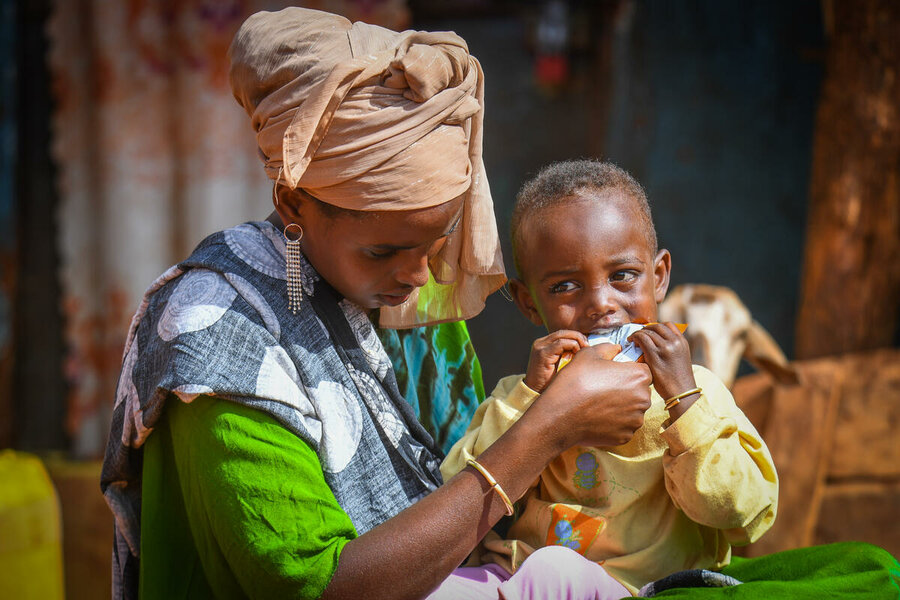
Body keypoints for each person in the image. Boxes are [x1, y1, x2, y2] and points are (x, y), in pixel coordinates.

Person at [100, 9, 657, 600]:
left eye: (438, 240)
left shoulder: (404, 297)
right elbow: (323, 588)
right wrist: (546, 430)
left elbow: (460, 501)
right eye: (383, 250)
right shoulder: (216, 339)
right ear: (293, 204)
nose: (419, 275)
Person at [441, 160, 780, 597]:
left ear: (658, 278)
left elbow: (744, 515)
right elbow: (456, 495)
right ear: (528, 302)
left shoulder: (697, 391)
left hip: (636, 588)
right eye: (565, 286)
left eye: (622, 276)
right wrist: (530, 400)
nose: (601, 304)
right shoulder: (524, 392)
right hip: (516, 579)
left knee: (555, 569)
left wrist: (684, 403)